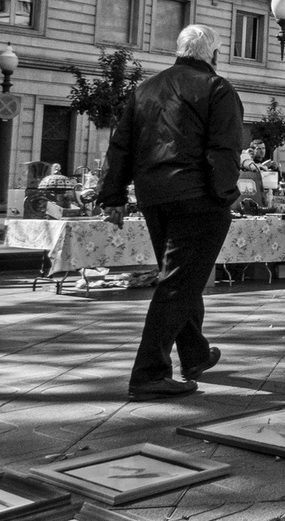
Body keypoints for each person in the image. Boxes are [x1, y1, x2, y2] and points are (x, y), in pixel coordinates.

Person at [97, 24, 242, 401]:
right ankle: (149, 373)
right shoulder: (217, 88)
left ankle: (194, 356)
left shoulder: (145, 89)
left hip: (154, 196)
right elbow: (224, 149)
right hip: (197, 196)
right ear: (213, 54)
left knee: (182, 277)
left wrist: (111, 195)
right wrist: (226, 194)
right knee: (179, 282)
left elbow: (121, 147)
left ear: (179, 50)